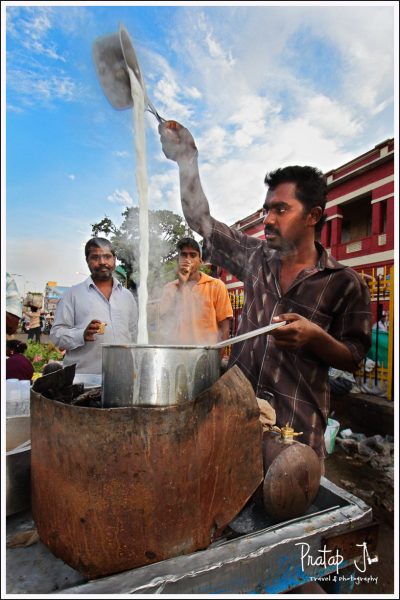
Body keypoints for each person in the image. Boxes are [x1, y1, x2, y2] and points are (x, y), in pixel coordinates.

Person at [158, 121, 372, 462]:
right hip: (236, 420)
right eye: (266, 209)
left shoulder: (345, 282)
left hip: (296, 433)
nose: (268, 219)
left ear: (313, 216)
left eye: (281, 209)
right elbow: (201, 220)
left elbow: (355, 356)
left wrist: (315, 337)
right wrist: (187, 160)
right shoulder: (254, 257)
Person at [50, 237, 138, 374]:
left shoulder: (127, 296)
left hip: (122, 378)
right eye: (95, 257)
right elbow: (56, 336)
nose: (102, 262)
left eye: (107, 256)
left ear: (114, 260)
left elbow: (133, 334)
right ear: (87, 261)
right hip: (84, 381)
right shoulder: (72, 295)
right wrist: (81, 334)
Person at [159, 237, 233, 348]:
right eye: (184, 255)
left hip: (206, 356)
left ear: (201, 261)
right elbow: (166, 321)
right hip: (178, 356)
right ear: (178, 260)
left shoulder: (216, 286)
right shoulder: (169, 288)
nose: (188, 259)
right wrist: (181, 285)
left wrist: (217, 359)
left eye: (193, 255)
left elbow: (225, 328)